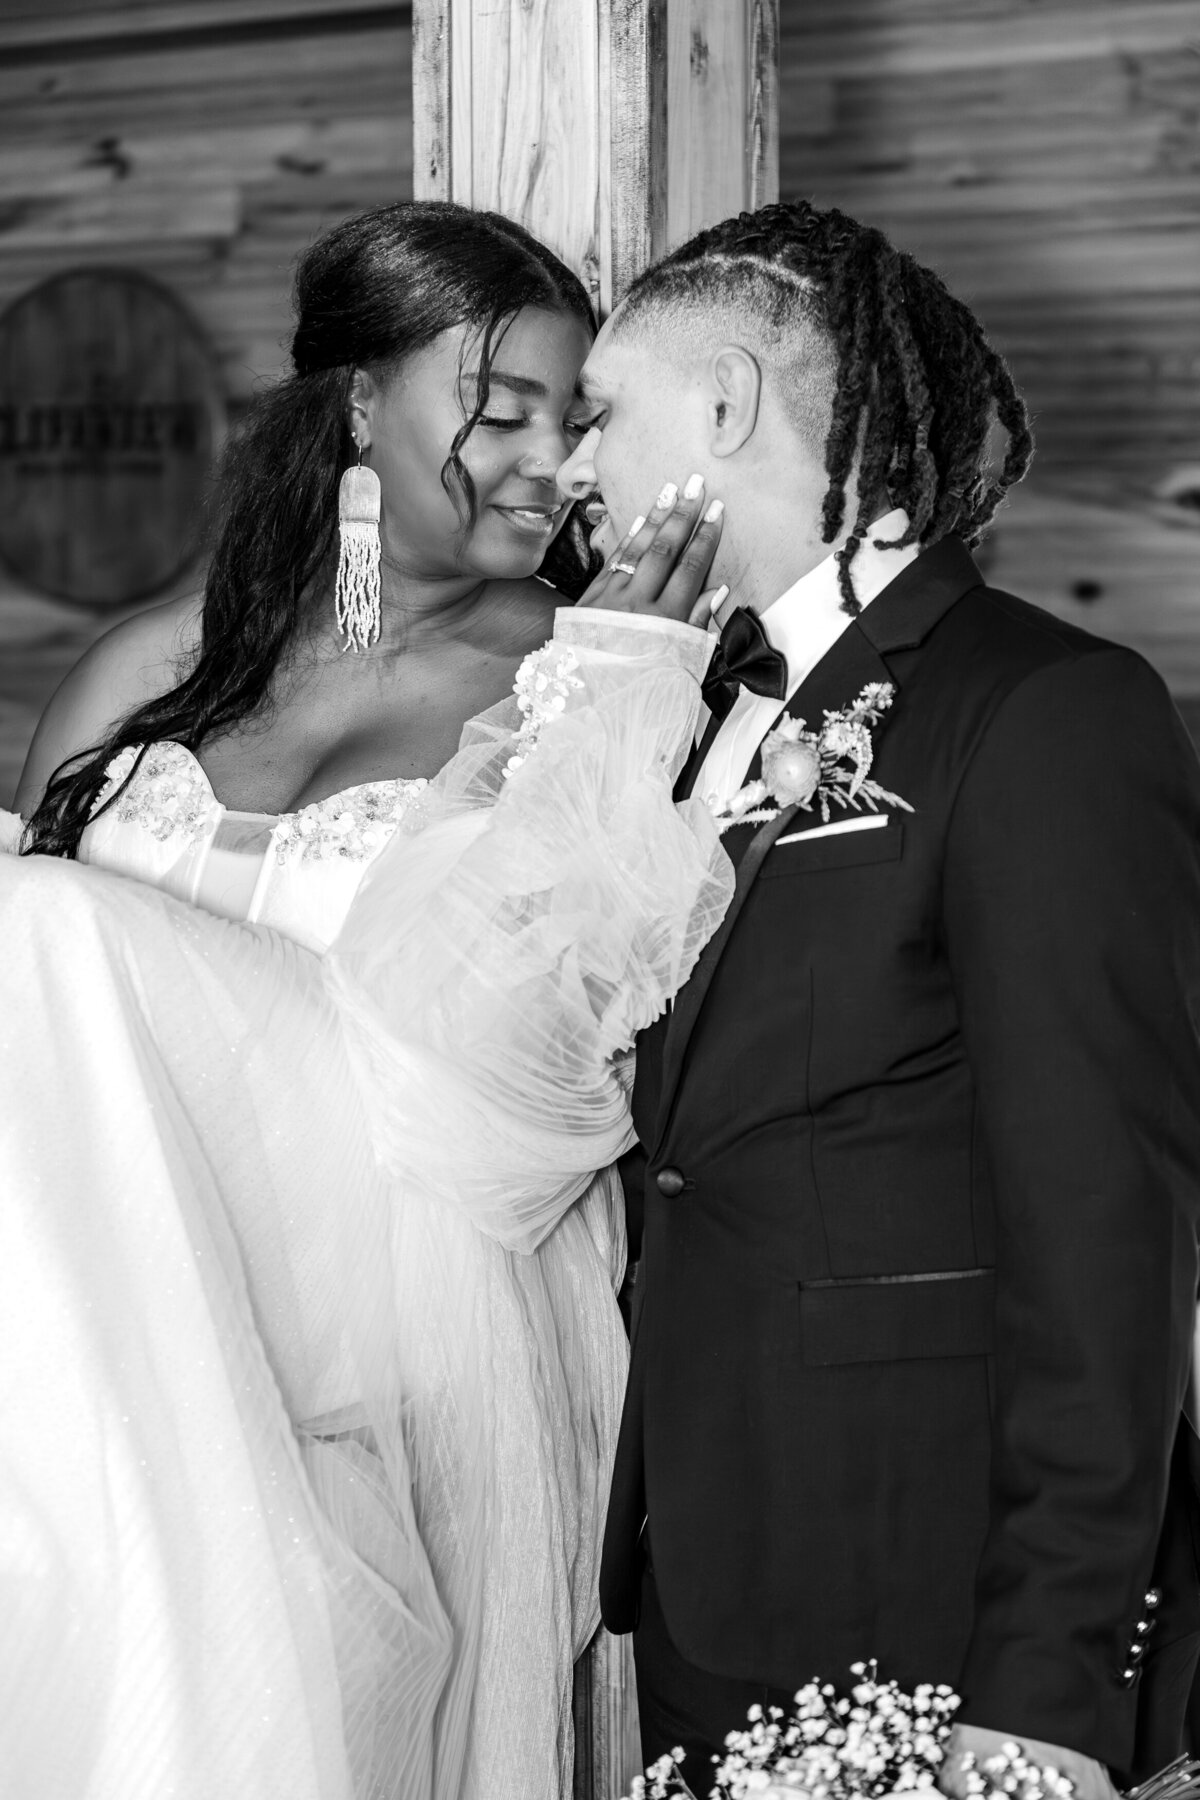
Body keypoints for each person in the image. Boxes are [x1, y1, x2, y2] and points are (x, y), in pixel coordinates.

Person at [0, 199, 732, 1800]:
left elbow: (550, 1065)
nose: (553, 461)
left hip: (400, 1282)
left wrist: (625, 686)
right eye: (502, 410)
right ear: (353, 406)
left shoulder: (578, 666)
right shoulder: (156, 669)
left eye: (579, 418)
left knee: (42, 926)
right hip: (122, 1306)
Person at [555, 198, 1200, 1797]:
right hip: (714, 1563)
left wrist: (1049, 1678)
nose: (573, 470)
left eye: (599, 416)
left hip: (940, 1593)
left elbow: (1106, 1226)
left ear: (724, 408)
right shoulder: (688, 703)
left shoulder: (1045, 712)